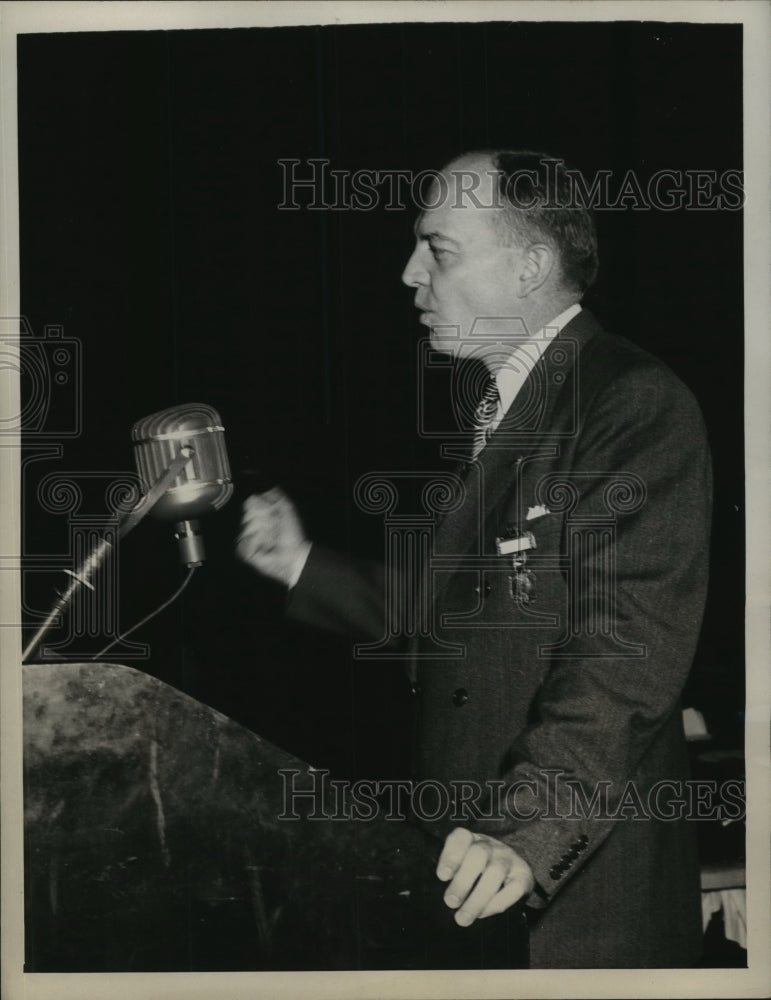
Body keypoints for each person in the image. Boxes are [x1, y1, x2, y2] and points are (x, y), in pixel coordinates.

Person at [236, 151, 712, 968]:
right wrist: (302, 564)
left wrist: (524, 835)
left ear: (530, 266)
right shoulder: (509, 407)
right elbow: (463, 612)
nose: (408, 272)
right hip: (473, 874)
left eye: (439, 249)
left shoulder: (628, 400)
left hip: (575, 908)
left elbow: (620, 662)